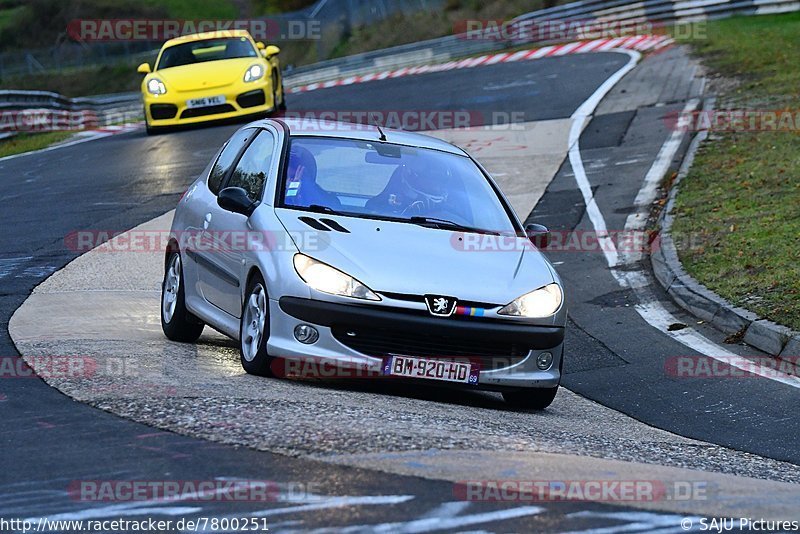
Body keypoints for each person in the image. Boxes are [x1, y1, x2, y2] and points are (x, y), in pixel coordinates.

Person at [284, 144, 341, 209]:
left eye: (292, 178)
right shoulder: (274, 197)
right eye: (284, 178)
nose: (287, 183)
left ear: (305, 176)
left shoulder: (327, 200)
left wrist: (293, 188)